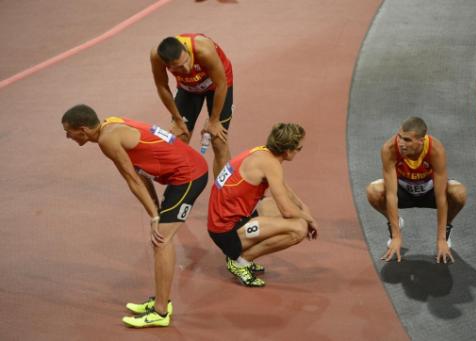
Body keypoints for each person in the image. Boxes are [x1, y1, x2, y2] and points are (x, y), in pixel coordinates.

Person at [61, 104, 208, 328]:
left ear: (82, 129)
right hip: (184, 171)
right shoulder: (111, 123)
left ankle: (160, 312)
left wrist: (154, 218)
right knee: (160, 239)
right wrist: (155, 209)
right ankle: (160, 302)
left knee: (161, 241)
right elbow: (140, 172)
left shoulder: (106, 141)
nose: (67, 137)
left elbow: (131, 178)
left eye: (68, 132)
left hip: (189, 175)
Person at [207, 123, 319, 287]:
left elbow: (283, 188)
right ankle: (241, 261)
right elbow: (287, 211)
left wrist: (304, 207)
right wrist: (309, 219)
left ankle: (240, 256)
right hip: (225, 231)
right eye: (299, 149)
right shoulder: (271, 164)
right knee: (298, 228)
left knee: (276, 205)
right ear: (288, 150)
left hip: (229, 217)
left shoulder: (263, 153)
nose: (299, 152)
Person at [366, 117, 467, 264]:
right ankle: (394, 222)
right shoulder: (389, 149)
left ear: (421, 140)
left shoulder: (436, 150)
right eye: (400, 137)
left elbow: (441, 197)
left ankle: (447, 229)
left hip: (429, 191)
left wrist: (441, 239)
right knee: (373, 191)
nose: (401, 143)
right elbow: (391, 194)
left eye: (407, 140)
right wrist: (396, 236)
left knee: (459, 193)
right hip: (403, 192)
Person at [151, 33, 233, 178]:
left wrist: (213, 120)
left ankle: (223, 194)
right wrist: (177, 119)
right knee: (179, 137)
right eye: (179, 67)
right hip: (188, 87)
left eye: (187, 61)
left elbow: (221, 84)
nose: (187, 68)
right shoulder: (156, 56)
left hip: (216, 85)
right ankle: (183, 188)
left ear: (187, 51)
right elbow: (162, 86)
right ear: (168, 64)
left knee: (218, 140)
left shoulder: (203, 50)